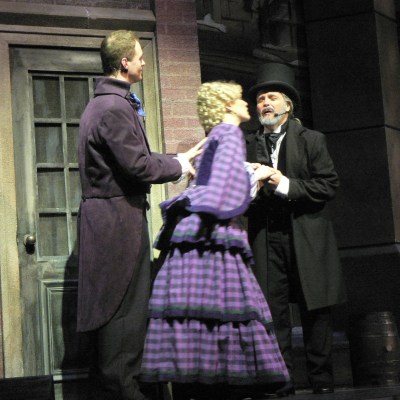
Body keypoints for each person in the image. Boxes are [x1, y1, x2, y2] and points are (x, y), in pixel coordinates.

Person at [140, 81, 290, 400]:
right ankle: (223, 381)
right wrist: (256, 176)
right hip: (213, 234)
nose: (246, 103)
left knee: (199, 308)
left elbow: (207, 179)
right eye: (239, 99)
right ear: (226, 105)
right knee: (225, 307)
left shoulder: (215, 136)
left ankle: (196, 380)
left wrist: (243, 172)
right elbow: (225, 190)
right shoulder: (230, 133)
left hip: (194, 232)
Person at [77, 30, 203, 400]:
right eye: (140, 56)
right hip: (116, 221)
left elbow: (135, 159)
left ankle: (122, 386)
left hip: (113, 217)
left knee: (123, 304)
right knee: (123, 307)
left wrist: (176, 160)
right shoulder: (113, 108)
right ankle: (123, 389)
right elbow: (138, 165)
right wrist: (178, 165)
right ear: (124, 63)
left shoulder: (107, 104)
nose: (144, 62)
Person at [245, 62, 347, 396]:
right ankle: (281, 379)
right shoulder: (249, 143)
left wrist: (283, 183)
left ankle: (322, 380)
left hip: (306, 233)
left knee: (314, 308)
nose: (265, 103)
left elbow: (327, 185)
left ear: (288, 105)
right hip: (267, 234)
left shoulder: (311, 140)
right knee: (273, 310)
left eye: (272, 97)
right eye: (260, 99)